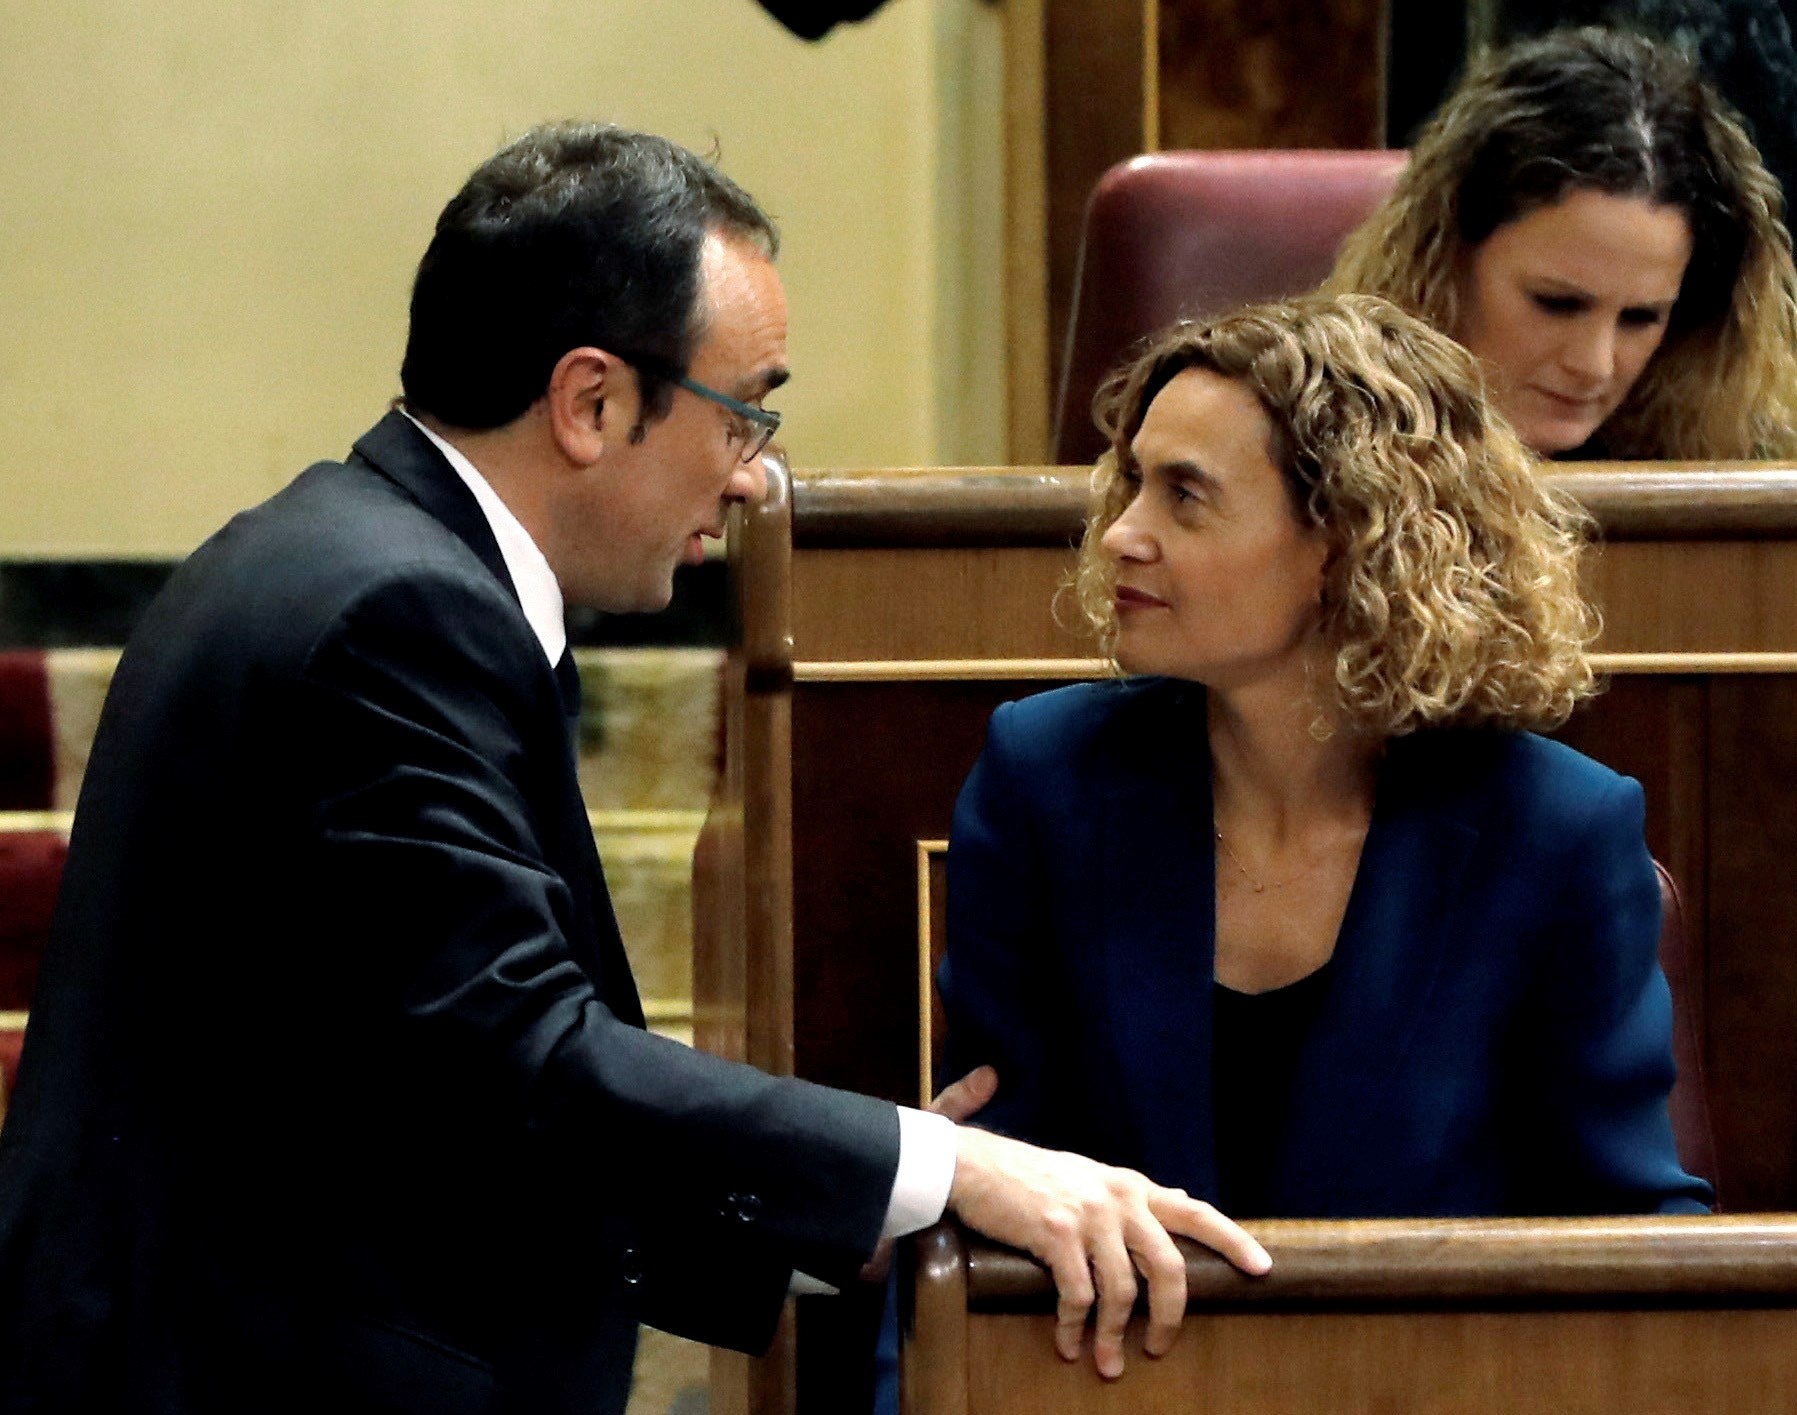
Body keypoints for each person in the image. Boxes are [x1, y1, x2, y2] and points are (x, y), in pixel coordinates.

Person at [0, 124, 1271, 1415]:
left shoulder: (352, 559)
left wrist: (854, 1210)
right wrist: (946, 1166)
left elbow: (432, 1092)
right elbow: (526, 1056)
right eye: (745, 413)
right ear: (592, 403)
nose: (756, 477)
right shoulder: (398, 616)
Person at [940, 293, 1713, 1223]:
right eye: (1133, 481)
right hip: (1107, 1321)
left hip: (1432, 1326)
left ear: (1345, 541)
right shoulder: (1046, 776)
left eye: (1183, 495)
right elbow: (991, 1167)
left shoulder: (1552, 828)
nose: (1120, 533)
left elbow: (1632, 1221)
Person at [1327, 26, 1797, 460]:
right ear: (1444, 260)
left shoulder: (1748, 466)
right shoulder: (1311, 458)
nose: (1594, 365)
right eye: (1556, 303)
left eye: (1640, 318)